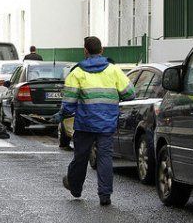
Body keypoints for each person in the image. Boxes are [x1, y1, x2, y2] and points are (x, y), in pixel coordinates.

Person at [52, 36, 135, 206]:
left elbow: (69, 103)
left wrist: (61, 115)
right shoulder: (114, 70)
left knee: (80, 156)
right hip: (107, 124)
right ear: (102, 50)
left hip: (85, 124)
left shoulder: (77, 72)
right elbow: (130, 93)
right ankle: (105, 195)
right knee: (105, 158)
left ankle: (75, 188)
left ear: (85, 51)